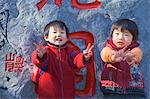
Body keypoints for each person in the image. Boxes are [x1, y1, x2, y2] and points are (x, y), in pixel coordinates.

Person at [32, 20, 93, 98]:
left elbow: (76, 61)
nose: (58, 35)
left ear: (67, 38)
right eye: (54, 32)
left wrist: (84, 57)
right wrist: (40, 56)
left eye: (62, 33)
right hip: (48, 94)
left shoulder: (69, 51)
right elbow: (38, 62)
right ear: (46, 37)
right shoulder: (46, 51)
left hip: (67, 93)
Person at [100, 19, 143, 93]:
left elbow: (137, 54)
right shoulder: (108, 48)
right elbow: (104, 54)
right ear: (112, 36)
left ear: (133, 39)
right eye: (117, 34)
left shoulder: (134, 49)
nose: (120, 37)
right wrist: (113, 57)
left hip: (133, 88)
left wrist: (131, 57)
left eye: (126, 35)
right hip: (110, 87)